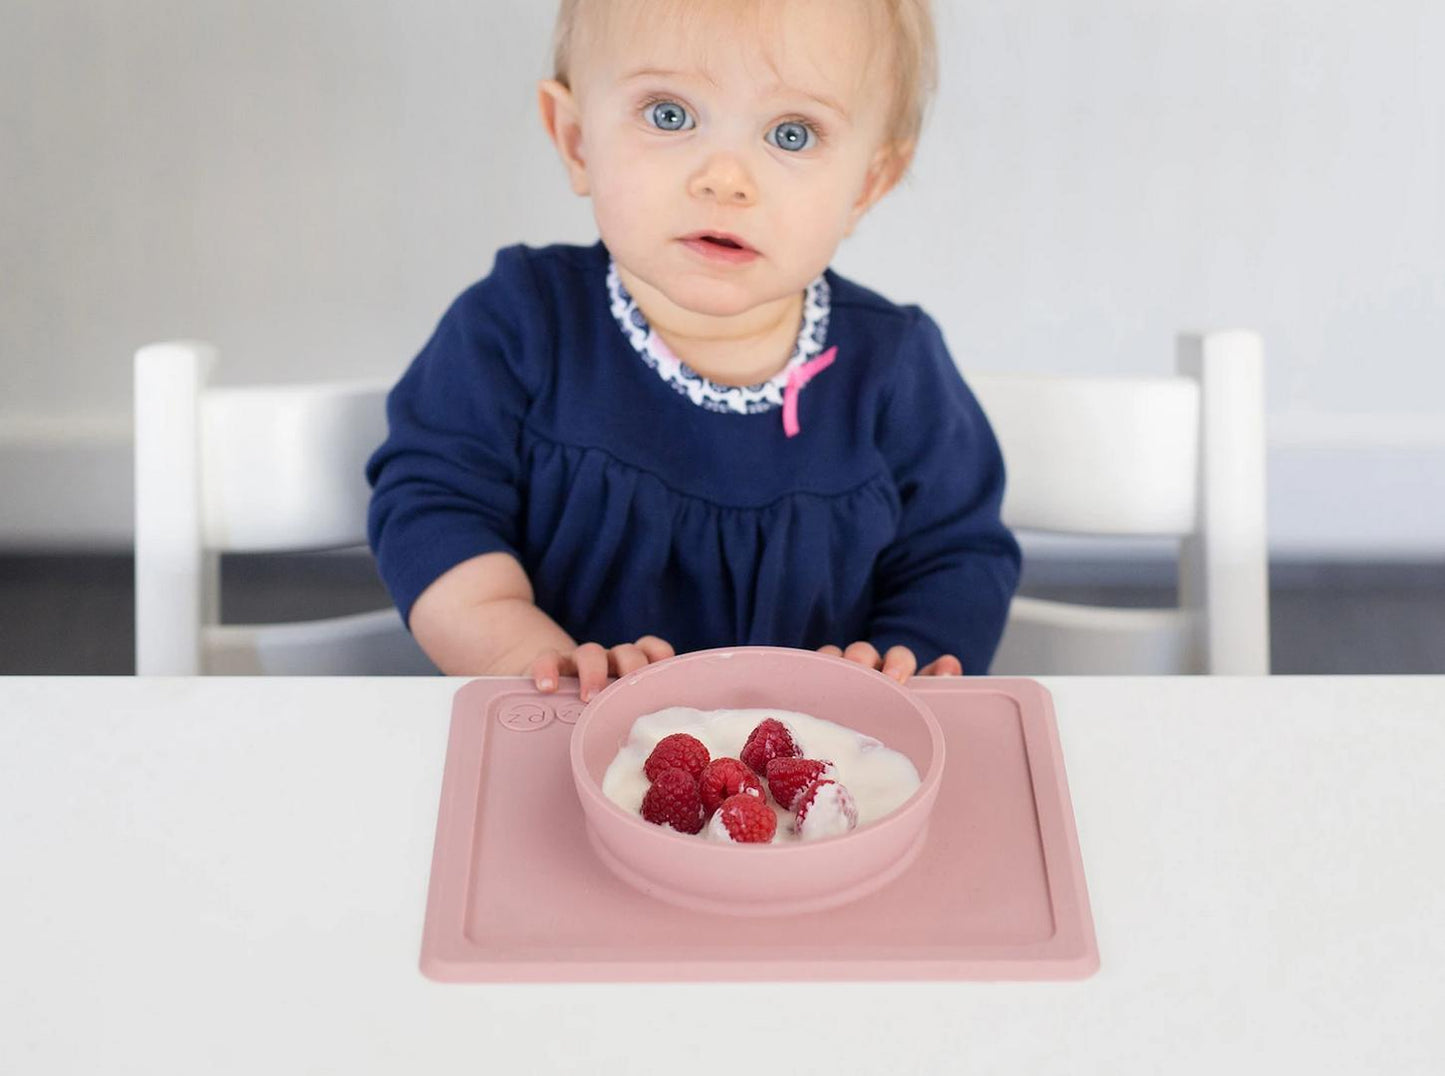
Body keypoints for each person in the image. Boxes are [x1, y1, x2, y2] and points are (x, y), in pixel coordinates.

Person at [366, 0, 1021, 701]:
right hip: (561, 744)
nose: (724, 178)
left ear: (865, 184)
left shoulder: (892, 368)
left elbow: (957, 558)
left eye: (792, 134)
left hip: (819, 769)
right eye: (669, 115)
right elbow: (432, 509)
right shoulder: (518, 324)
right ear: (577, 139)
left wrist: (898, 666)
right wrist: (531, 661)